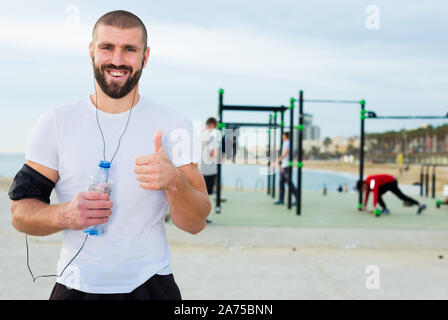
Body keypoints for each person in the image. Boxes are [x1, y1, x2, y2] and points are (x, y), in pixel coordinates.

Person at [8, 10, 211, 300]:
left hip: (150, 285)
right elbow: (20, 214)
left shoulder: (173, 124)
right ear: (92, 52)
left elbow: (196, 223)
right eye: (107, 47)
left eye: (130, 49)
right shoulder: (55, 122)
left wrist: (174, 181)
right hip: (76, 285)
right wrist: (64, 214)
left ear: (146, 56)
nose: (117, 60)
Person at [357, 174, 426, 215]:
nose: (364, 190)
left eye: (363, 189)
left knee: (401, 196)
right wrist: (365, 205)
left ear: (364, 184)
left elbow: (375, 193)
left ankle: (385, 209)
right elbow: (367, 195)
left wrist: (374, 207)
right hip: (388, 183)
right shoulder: (368, 186)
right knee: (401, 196)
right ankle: (420, 204)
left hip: (391, 182)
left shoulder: (370, 181)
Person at [199, 117, 220, 224]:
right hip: (210, 170)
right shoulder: (211, 136)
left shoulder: (201, 134)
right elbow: (213, 153)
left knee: (202, 193)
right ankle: (204, 217)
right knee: (208, 195)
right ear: (212, 125)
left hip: (202, 170)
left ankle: (201, 216)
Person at [271, 132, 297, 205]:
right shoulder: (285, 143)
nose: (282, 136)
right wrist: (280, 165)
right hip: (284, 166)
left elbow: (285, 155)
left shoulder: (288, 143)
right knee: (281, 183)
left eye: (283, 135)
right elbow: (283, 155)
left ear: (285, 136)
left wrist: (275, 163)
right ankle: (281, 200)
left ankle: (297, 198)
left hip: (287, 167)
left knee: (289, 183)